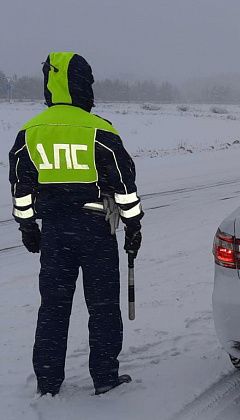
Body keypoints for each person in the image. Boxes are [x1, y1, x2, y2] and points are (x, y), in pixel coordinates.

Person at [8, 52, 143, 396]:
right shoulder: (100, 131)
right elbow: (126, 186)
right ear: (84, 86)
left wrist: (27, 227)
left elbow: (21, 189)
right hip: (96, 230)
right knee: (103, 307)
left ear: (50, 86)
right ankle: (105, 377)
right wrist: (133, 226)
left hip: (55, 232)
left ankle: (49, 381)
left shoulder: (30, 132)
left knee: (53, 307)